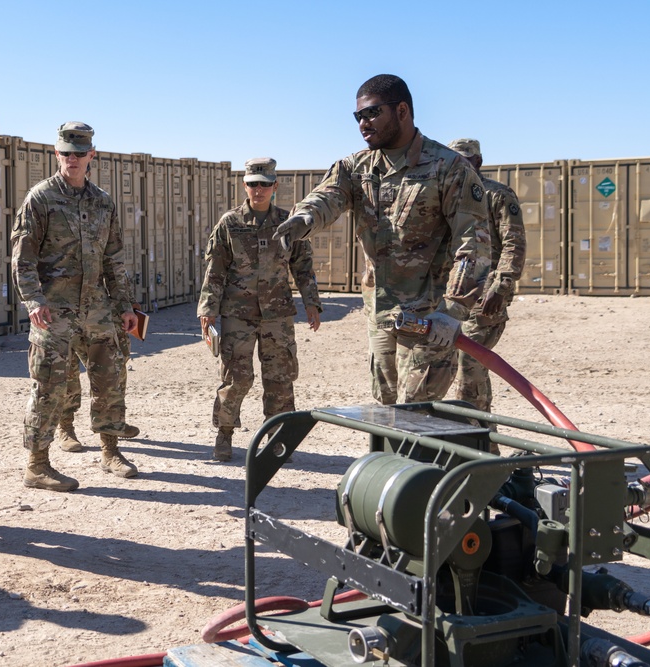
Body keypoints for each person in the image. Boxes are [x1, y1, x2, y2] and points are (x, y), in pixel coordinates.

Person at [273, 74, 490, 404]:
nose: (363, 122)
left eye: (372, 113)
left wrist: (454, 311)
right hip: (382, 317)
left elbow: (473, 244)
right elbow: (327, 197)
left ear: (402, 110)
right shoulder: (356, 168)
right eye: (358, 116)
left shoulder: (449, 168)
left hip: (429, 319)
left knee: (416, 415)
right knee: (386, 410)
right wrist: (303, 219)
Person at [12, 121, 139, 487]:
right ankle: (37, 464)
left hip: (97, 307)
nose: (72, 159)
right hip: (54, 307)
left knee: (111, 377)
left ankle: (111, 450)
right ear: (56, 154)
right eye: (66, 152)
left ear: (91, 156)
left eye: (79, 153)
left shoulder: (103, 201)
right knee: (49, 384)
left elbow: (114, 259)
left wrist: (125, 306)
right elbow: (23, 258)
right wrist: (33, 300)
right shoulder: (40, 198)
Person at [198, 158, 322, 462]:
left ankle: (278, 438)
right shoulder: (230, 223)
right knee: (236, 377)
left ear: (275, 186)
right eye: (253, 183)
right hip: (237, 313)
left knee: (280, 377)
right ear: (244, 185)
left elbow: (303, 267)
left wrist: (312, 302)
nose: (259, 189)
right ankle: (224, 435)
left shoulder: (288, 222)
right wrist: (208, 308)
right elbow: (216, 269)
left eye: (265, 184)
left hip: (277, 314)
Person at [447, 138, 526, 420]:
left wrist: (501, 287)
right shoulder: (448, 194)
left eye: (464, 160)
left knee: (470, 364)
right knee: (457, 369)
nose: (458, 166)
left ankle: (475, 444)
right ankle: (483, 445)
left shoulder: (497, 195)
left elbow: (514, 244)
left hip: (485, 297)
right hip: (450, 295)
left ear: (478, 162)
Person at [55, 294, 142, 453]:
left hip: (105, 312)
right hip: (68, 310)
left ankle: (115, 423)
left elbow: (117, 273)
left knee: (114, 370)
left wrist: (128, 303)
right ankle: (66, 427)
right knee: (69, 372)